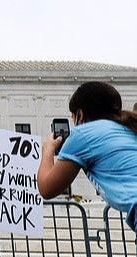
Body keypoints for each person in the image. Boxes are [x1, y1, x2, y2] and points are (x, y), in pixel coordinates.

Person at [37, 81, 137, 232]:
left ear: (79, 115)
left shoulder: (82, 134)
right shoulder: (129, 129)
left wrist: (48, 150)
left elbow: (47, 188)